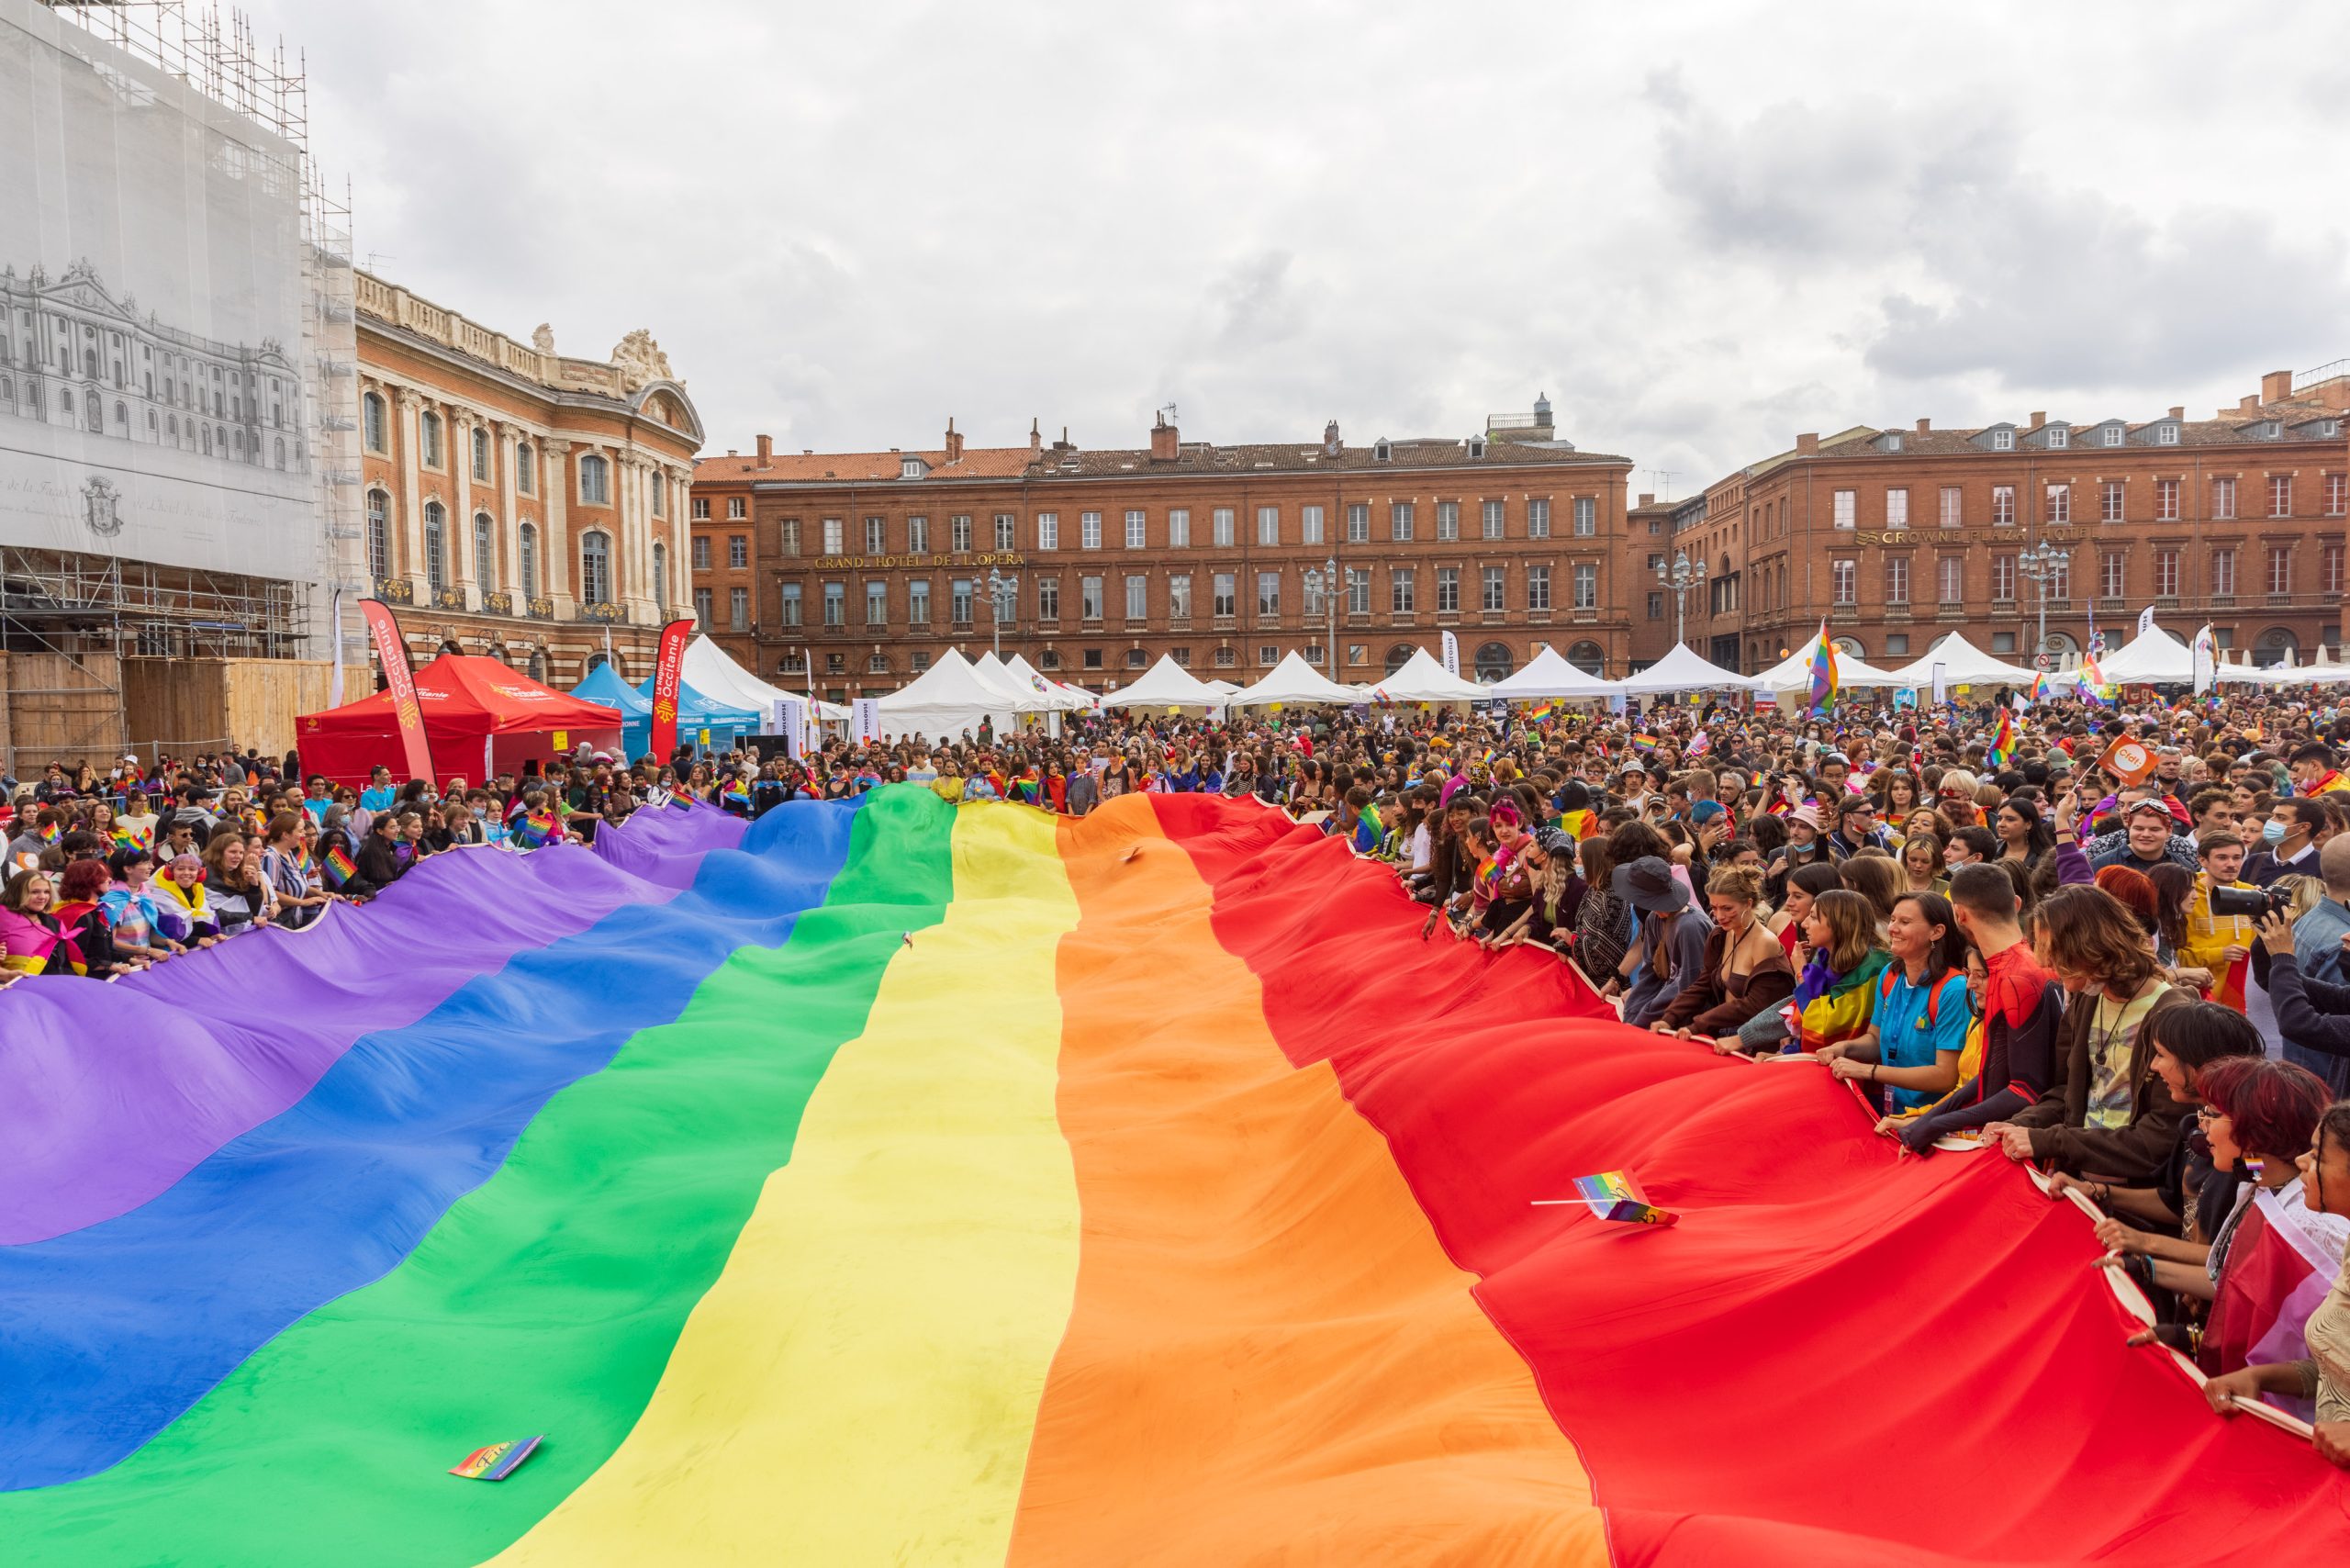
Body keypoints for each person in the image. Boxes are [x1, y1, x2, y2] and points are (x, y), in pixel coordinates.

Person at [1993, 884, 2188, 1182]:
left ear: (2092, 946)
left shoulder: (2173, 1016)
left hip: (2139, 1193)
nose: (2052, 970)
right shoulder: (2087, 998)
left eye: (2060, 959)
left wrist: (2051, 1141)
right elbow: (2066, 1096)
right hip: (2079, 1177)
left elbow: (2160, 1137)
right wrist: (2018, 1126)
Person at [2201, 1102, 2350, 1468]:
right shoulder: (2252, 1180)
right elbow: (2338, 1370)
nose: (2202, 1122)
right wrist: (2258, 1376)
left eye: (2316, 1156)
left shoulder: (2308, 1221)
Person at [1897, 862, 2064, 1153]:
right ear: (2016, 903)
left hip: (2017, 1142)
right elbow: (1992, 1072)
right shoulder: (2018, 965)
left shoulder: (2016, 977)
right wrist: (1928, 1120)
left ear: (1959, 914)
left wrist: (1937, 1124)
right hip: (2005, 1133)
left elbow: (2026, 1090)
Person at [1821, 891, 1970, 1112]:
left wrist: (1868, 1071)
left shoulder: (1953, 989)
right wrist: (1846, 1048)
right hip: (1892, 1112)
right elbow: (1876, 1038)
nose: (1892, 928)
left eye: (1905, 922)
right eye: (1892, 920)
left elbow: (1945, 1076)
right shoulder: (1890, 975)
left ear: (1936, 932)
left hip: (1932, 1120)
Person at [1654, 865, 1796, 1042]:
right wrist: (1669, 1018)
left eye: (1727, 908)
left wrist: (1698, 1025)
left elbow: (1756, 1004)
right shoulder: (1720, 935)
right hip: (1721, 1032)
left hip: (1750, 1040)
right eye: (1714, 908)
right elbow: (1702, 985)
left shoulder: (1764, 942)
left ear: (1748, 903)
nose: (1719, 916)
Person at [1616, 855, 1714, 1028]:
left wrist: (1645, 1016)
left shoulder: (1690, 926)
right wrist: (1632, 1014)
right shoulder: (1654, 919)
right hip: (1664, 1007)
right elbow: (1649, 973)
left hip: (1688, 1016)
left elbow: (1689, 985)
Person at [0, 868, 83, 976]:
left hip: (55, 985)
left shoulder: (53, 923)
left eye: (46, 892)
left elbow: (64, 963)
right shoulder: (3, 919)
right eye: (34, 892)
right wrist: (6, 974)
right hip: (18, 988)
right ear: (17, 892)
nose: (42, 897)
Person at [2245, 798, 2326, 888]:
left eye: (2280, 818)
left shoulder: (2324, 867)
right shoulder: (2255, 862)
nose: (2271, 821)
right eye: (2273, 816)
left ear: (2303, 827)